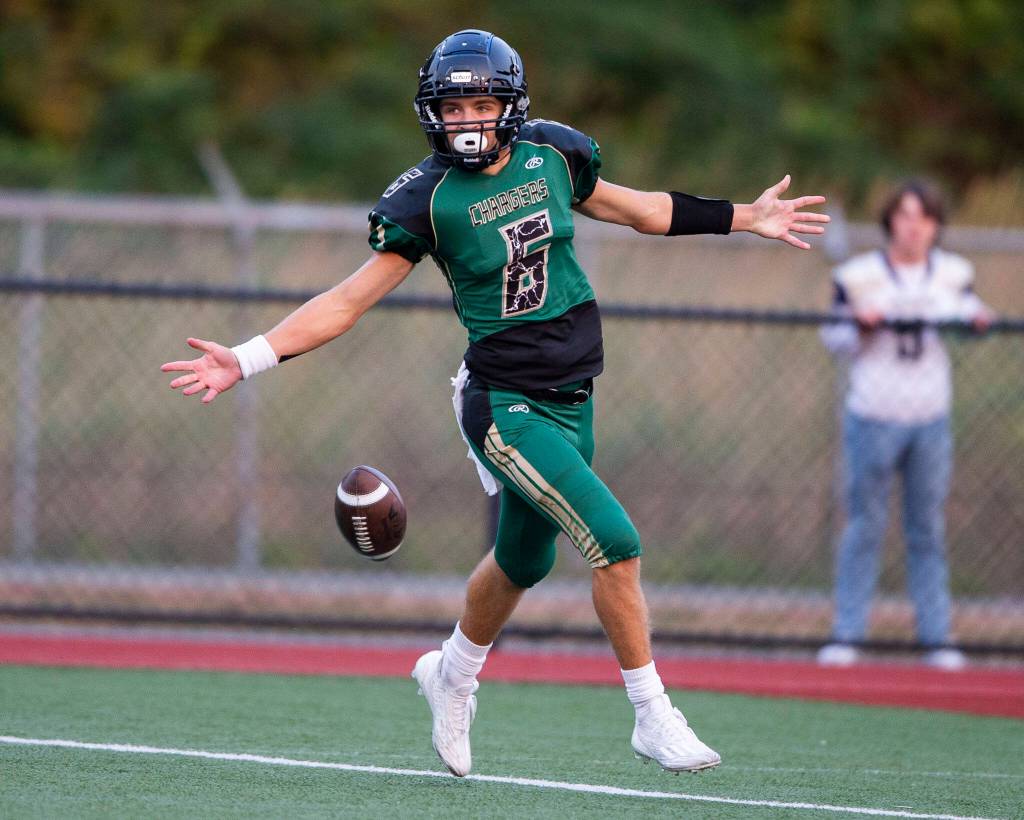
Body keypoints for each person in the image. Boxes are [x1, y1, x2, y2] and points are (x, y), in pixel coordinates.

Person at [162, 29, 828, 776]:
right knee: (615, 542)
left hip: (575, 396)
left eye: (483, 103)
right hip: (504, 406)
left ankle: (449, 674)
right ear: (432, 113)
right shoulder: (427, 200)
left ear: (510, 107)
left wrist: (746, 217)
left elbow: (641, 210)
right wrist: (248, 358)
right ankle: (652, 714)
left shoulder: (553, 154)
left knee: (522, 558)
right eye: (455, 106)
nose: (469, 120)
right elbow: (348, 300)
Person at [818, 180, 993, 671]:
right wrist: (860, 325)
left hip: (929, 416)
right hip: (873, 413)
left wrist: (978, 320)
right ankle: (848, 632)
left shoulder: (955, 273)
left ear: (936, 225)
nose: (914, 227)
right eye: (905, 215)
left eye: (924, 217)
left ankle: (936, 637)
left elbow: (971, 315)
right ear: (890, 221)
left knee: (927, 528)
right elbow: (832, 336)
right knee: (863, 525)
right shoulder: (859, 275)